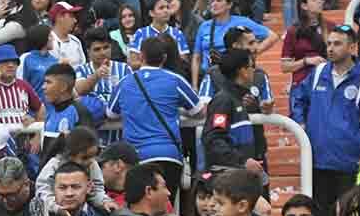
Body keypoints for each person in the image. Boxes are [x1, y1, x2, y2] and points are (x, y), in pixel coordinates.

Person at [289, 24, 360, 216]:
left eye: (337, 44)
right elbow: (297, 97)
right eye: (329, 44)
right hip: (316, 163)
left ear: (353, 48)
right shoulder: (318, 73)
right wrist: (299, 123)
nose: (330, 48)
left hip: (349, 165)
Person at [108, 37, 204, 180]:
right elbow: (198, 111)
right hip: (169, 155)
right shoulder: (175, 80)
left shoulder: (124, 83)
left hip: (135, 157)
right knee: (167, 202)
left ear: (141, 56)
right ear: (164, 58)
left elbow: (111, 114)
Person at [190, 0, 276, 90]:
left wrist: (253, 52)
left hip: (237, 77)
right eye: (212, 1)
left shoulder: (242, 22)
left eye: (219, 0)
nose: (214, 4)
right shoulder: (204, 26)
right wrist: (194, 85)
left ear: (229, 4)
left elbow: (272, 36)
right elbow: (197, 57)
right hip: (210, 77)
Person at [202, 49, 269, 174]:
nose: (254, 70)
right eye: (251, 66)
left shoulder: (240, 99)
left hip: (241, 175)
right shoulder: (223, 100)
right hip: (229, 179)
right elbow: (214, 140)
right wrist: (243, 161)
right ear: (243, 71)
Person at [75, 28, 132, 146]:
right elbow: (80, 90)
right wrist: (96, 76)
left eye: (106, 47)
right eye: (97, 49)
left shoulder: (124, 69)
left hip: (121, 139)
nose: (103, 52)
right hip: (93, 142)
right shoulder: (81, 70)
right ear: (88, 51)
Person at [280, 0, 328, 89]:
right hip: (302, 83)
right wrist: (306, 61)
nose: (320, 1)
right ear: (304, 6)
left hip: (326, 81)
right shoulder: (293, 31)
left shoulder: (330, 27)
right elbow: (284, 67)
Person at [47, 1, 86, 67]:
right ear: (60, 17)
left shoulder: (75, 40)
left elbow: (83, 65)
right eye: (71, 16)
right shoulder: (49, 42)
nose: (75, 20)